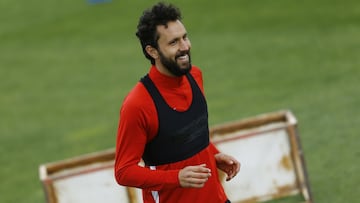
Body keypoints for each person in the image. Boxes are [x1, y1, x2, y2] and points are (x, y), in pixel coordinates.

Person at [114, 2, 240, 203]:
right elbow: (123, 171)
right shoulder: (137, 105)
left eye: (185, 37)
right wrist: (176, 177)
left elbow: (189, 136)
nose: (185, 46)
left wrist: (214, 154)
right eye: (173, 42)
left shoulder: (195, 76)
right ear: (152, 51)